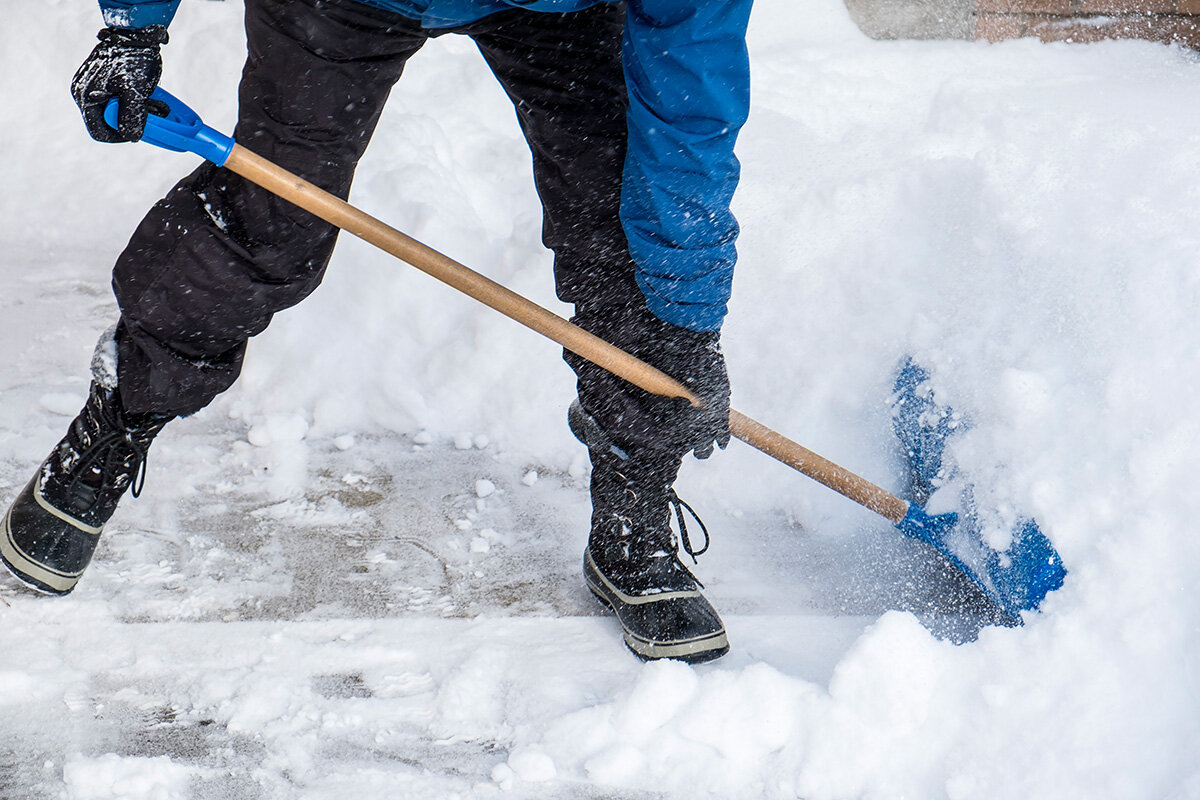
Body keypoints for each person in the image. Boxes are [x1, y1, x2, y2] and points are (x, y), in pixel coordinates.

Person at [0, 0, 752, 664]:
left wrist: (684, 324)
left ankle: (634, 497)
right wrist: (134, 24)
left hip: (558, 6)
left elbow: (690, 102)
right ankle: (121, 415)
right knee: (271, 218)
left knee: (629, 220)